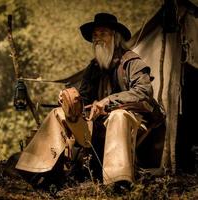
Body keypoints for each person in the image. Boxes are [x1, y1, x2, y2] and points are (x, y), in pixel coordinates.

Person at [15, 13, 165, 187]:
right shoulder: (94, 67)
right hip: (96, 124)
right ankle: (34, 170)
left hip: (133, 122)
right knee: (58, 113)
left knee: (118, 115)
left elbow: (143, 91)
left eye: (102, 34)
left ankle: (117, 181)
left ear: (115, 37)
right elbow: (84, 97)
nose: (97, 39)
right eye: (95, 35)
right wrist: (70, 101)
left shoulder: (132, 62)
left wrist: (107, 101)